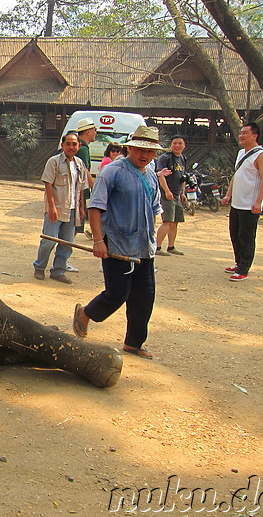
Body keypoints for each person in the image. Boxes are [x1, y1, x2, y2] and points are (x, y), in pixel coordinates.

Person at [72, 125, 164, 359]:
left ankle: (134, 343)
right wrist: (98, 241)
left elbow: (154, 209)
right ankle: (85, 313)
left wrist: (154, 239)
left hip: (144, 247)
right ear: (129, 147)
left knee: (144, 297)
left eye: (150, 152)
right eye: (140, 150)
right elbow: (95, 207)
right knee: (117, 294)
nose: (145, 156)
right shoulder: (112, 172)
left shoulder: (151, 174)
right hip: (117, 245)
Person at [33, 131, 89, 285]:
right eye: (68, 144)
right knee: (49, 240)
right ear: (63, 145)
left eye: (74, 144)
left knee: (67, 243)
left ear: (79, 146)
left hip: (73, 210)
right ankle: (39, 266)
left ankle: (58, 271)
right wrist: (51, 208)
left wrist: (82, 208)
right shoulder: (54, 162)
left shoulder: (79, 164)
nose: (71, 147)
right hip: (57, 208)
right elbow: (48, 185)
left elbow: (81, 189)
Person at [221, 122, 263, 282]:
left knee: (246, 236)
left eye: (245, 133)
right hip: (237, 202)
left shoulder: (261, 155)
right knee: (235, 234)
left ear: (254, 135)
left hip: (250, 204)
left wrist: (258, 201)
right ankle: (238, 262)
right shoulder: (241, 152)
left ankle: (244, 268)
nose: (241, 136)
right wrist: (228, 195)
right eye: (240, 133)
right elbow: (236, 175)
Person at [155, 135, 188, 256]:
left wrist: (183, 193)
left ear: (184, 146)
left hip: (177, 194)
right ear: (171, 145)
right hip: (167, 194)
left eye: (180, 143)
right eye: (175, 143)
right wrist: (167, 191)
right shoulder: (165, 158)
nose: (177, 146)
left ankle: (171, 246)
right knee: (167, 220)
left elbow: (183, 177)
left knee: (175, 221)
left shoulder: (183, 158)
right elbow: (160, 175)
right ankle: (157, 247)